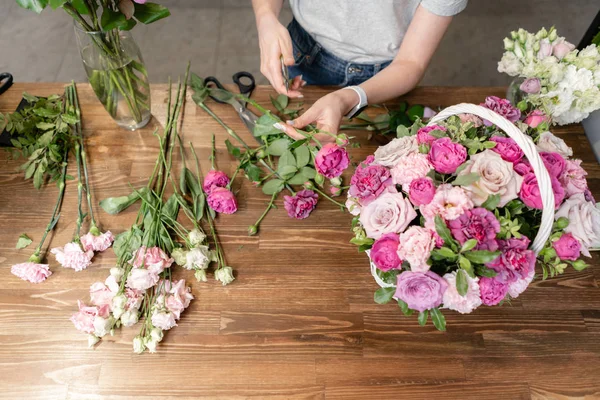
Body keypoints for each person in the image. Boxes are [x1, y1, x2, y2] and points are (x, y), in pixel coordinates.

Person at [252, 0, 468, 142]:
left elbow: (411, 62)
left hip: (385, 76)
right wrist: (265, 16)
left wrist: (347, 98)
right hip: (303, 47)